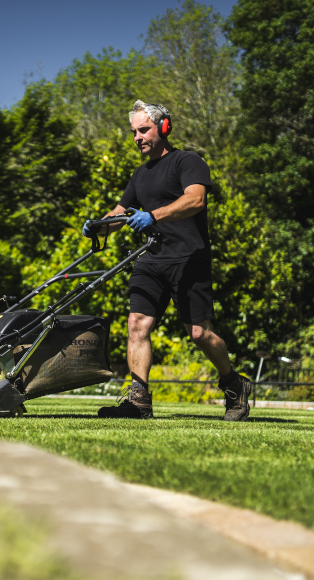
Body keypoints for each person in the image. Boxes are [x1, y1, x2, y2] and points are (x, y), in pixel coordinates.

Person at [84, 101, 252, 421]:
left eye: (143, 129)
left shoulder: (187, 161)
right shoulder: (139, 174)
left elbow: (196, 199)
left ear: (164, 128)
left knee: (199, 334)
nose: (137, 137)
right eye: (133, 132)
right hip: (151, 258)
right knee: (137, 324)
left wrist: (153, 216)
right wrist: (98, 224)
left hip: (189, 257)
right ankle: (138, 402)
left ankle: (234, 384)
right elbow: (119, 214)